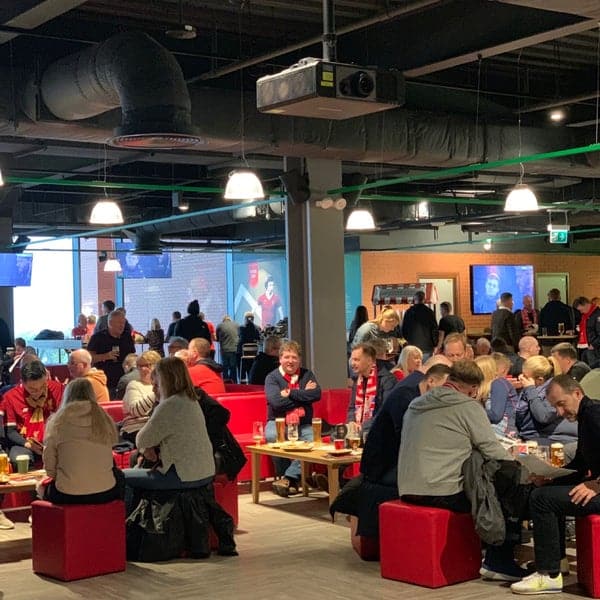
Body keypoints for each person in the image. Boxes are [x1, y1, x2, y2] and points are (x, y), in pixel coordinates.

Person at [397, 360, 526, 581]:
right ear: (474, 388)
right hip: (442, 492)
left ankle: (490, 553)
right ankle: (499, 559)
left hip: (407, 487)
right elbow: (491, 449)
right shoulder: (467, 406)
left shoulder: (416, 403)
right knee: (505, 480)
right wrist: (524, 468)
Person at [123, 357, 236, 557]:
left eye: (156, 378)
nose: (154, 383)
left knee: (122, 477)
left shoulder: (169, 406)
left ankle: (127, 536)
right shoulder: (191, 401)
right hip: (204, 472)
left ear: (164, 378)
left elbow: (141, 438)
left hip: (180, 475)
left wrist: (147, 448)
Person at [510, 376, 600, 595]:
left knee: (542, 500)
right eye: (555, 407)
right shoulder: (586, 417)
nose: (559, 412)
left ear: (577, 393)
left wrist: (597, 485)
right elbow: (580, 464)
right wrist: (551, 478)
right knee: (543, 492)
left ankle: (548, 575)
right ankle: (556, 562)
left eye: (562, 404)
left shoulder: (595, 414)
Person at [352, 362, 451, 537]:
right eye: (443, 388)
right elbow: (407, 437)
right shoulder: (405, 398)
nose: (445, 394)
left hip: (396, 460)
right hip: (382, 466)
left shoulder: (419, 398)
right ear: (431, 381)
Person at [38, 378, 123, 505]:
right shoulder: (103, 418)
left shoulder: (57, 421)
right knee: (120, 477)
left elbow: (50, 468)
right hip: (106, 492)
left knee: (41, 487)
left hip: (67, 494)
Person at [264, 340, 321, 498]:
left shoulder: (307, 374)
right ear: (280, 358)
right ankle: (291, 478)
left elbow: (316, 394)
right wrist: (303, 395)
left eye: (294, 357)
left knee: (313, 441)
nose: (290, 361)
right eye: (287, 357)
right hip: (277, 421)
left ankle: (288, 478)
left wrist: (290, 393)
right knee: (272, 436)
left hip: (303, 423)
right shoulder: (272, 378)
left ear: (299, 360)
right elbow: (276, 402)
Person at [2, 360, 63, 469]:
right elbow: (10, 432)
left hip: (55, 441)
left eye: (43, 386)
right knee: (19, 459)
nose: (38, 392)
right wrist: (28, 445)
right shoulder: (11, 397)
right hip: (25, 442)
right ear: (22, 383)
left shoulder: (58, 390)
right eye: (32, 389)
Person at [515, 355, 577, 447]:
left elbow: (544, 416)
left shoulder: (555, 390)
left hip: (556, 439)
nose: (521, 378)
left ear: (540, 380)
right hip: (539, 436)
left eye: (525, 376)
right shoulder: (533, 390)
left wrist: (530, 389)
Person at [347, 343, 396, 435]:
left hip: (378, 428)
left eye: (356, 360)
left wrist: (363, 426)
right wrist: (351, 422)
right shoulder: (357, 380)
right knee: (338, 433)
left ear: (369, 360)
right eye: (352, 359)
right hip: (359, 428)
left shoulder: (387, 380)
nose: (352, 363)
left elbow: (385, 412)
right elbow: (352, 407)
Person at [87, 309, 136, 399]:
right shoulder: (98, 337)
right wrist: (105, 356)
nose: (122, 326)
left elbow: (132, 355)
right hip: (105, 382)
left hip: (124, 381)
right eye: (119, 323)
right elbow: (89, 358)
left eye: (123, 323)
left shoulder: (127, 337)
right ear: (110, 323)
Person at [121, 350, 161, 445]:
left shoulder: (161, 387)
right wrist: (157, 393)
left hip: (155, 428)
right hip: (135, 429)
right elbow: (136, 410)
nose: (142, 369)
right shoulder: (134, 385)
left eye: (147, 365)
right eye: (139, 366)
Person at [476, 354, 519, 438]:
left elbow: (496, 415)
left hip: (503, 434)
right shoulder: (488, 388)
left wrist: (474, 410)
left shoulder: (498, 383)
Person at [400, 291, 438, 360]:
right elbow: (434, 330)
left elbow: (403, 330)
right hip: (426, 347)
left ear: (414, 299)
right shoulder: (429, 312)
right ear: (424, 299)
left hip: (412, 347)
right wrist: (435, 344)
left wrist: (407, 342)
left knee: (413, 369)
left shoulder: (408, 312)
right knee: (425, 368)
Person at [573, 296, 600, 366]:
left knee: (594, 370)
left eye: (581, 309)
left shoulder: (597, 315)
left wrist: (594, 345)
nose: (580, 312)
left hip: (594, 348)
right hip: (585, 347)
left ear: (585, 304)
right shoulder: (585, 316)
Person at [216, 315, 239, 383]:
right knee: (233, 367)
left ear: (223, 320)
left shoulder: (220, 326)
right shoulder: (236, 325)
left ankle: (226, 383)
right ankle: (234, 382)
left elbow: (217, 338)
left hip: (224, 349)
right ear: (230, 319)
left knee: (225, 367)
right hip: (234, 349)